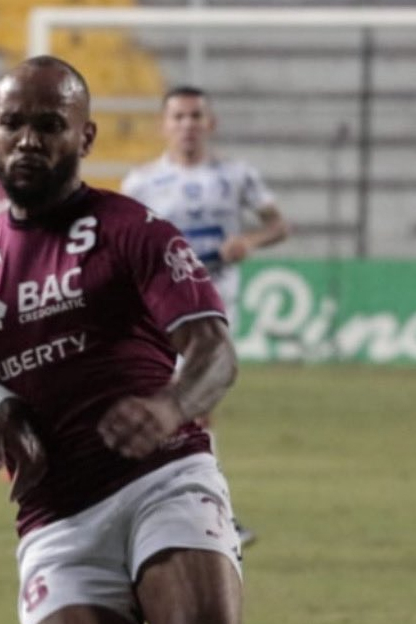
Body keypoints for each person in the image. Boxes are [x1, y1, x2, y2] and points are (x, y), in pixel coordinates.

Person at [0, 56, 244, 624]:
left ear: (85, 136)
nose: (29, 140)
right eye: (13, 123)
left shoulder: (133, 229)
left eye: (50, 125)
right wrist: (1, 400)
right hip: (56, 514)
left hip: (163, 482)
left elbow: (215, 354)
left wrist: (170, 407)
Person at [122, 85, 290, 546]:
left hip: (214, 305)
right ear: (163, 125)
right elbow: (123, 245)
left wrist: (250, 242)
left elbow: (278, 224)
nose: (188, 125)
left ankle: (197, 511)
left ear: (210, 124)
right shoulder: (141, 184)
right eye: (178, 117)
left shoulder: (237, 177)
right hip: (158, 309)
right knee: (183, 408)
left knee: (193, 406)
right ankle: (191, 510)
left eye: (196, 116)